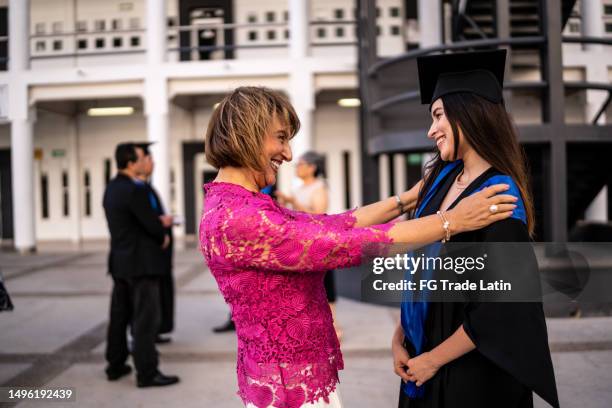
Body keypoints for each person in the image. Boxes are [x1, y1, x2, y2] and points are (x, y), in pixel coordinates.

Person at [199, 86, 517, 407]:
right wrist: (453, 221)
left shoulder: (239, 203)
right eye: (281, 138)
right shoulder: (239, 217)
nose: (289, 153)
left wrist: (406, 199)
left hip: (292, 378)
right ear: (247, 135)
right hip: (288, 389)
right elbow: (348, 243)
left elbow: (334, 224)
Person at [392, 50, 558, 408]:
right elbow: (421, 269)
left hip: (469, 372)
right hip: (423, 359)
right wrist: (401, 336)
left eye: (438, 115)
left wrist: (433, 359)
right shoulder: (441, 179)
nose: (430, 129)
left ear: (469, 112)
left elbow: (503, 305)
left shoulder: (498, 195)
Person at [103, 142, 179, 388]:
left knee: (119, 316)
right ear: (131, 162)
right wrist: (163, 234)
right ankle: (147, 373)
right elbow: (151, 225)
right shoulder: (135, 190)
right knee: (145, 321)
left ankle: (115, 365)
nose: (145, 162)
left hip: (120, 262)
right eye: (141, 158)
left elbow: (130, 222)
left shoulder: (112, 188)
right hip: (142, 265)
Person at [276, 151, 342, 339]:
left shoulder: (319, 187)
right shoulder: (297, 188)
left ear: (312, 167)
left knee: (326, 286)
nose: (297, 167)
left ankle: (334, 326)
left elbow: (319, 215)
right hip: (300, 245)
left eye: (301, 164)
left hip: (318, 243)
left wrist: (293, 202)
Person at [135, 142, 176, 344]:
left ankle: (157, 328)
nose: (152, 163)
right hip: (146, 255)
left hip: (158, 254)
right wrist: (160, 225)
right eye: (148, 159)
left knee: (159, 296)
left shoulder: (147, 188)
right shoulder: (134, 189)